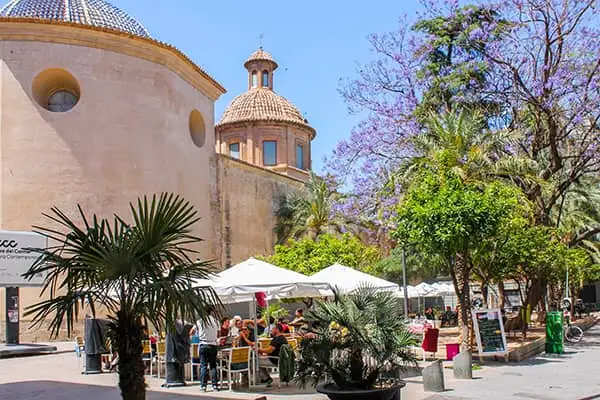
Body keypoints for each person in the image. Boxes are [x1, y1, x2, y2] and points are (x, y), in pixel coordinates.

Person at [196, 309, 220, 392]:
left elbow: (192, 331)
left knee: (203, 366)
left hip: (203, 344)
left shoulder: (199, 321)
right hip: (213, 345)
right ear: (211, 312)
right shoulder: (216, 321)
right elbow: (219, 333)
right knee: (213, 366)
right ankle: (215, 386)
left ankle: (203, 386)